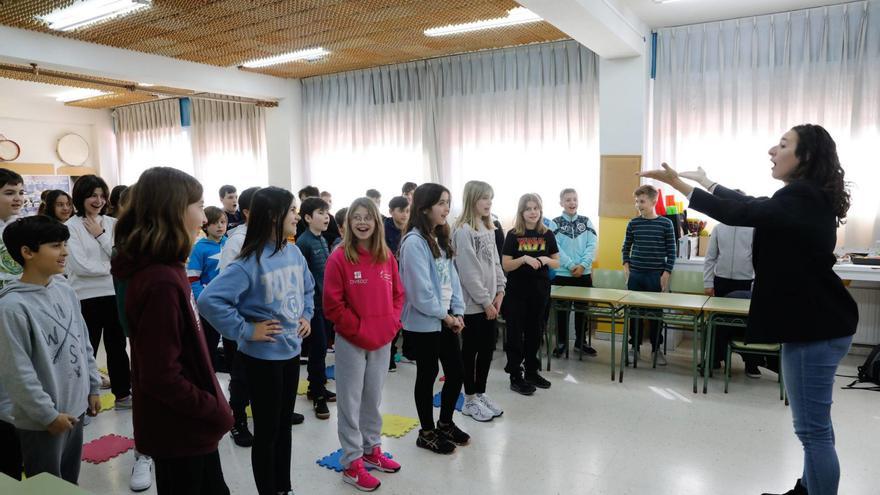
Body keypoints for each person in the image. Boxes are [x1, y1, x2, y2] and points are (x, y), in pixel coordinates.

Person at [642, 124, 858, 495]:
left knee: (813, 432)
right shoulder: (803, 196)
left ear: (804, 157)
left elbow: (739, 210)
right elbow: (753, 204)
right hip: (816, 321)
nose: (772, 150)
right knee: (816, 427)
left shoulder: (801, 197)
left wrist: (681, 186)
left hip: (814, 326)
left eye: (784, 145)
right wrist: (709, 182)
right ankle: (808, 487)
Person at [111, 168, 233, 494]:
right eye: (198, 206)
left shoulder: (169, 269)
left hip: (189, 426)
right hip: (181, 428)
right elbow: (160, 374)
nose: (203, 218)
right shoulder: (160, 280)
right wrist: (214, 409)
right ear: (174, 210)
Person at [198, 187, 314, 495]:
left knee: (284, 428)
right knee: (267, 432)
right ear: (274, 216)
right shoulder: (249, 260)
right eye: (292, 211)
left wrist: (306, 316)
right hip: (262, 360)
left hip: (290, 353)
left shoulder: (293, 251)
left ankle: (282, 487)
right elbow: (210, 301)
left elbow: (307, 288)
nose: (297, 216)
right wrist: (247, 330)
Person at [0, 216, 101, 484]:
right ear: (27, 252)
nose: (65, 252)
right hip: (42, 420)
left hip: (76, 408)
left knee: (69, 481)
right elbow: (17, 373)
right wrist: (47, 415)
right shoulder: (12, 307)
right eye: (56, 246)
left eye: (64, 244)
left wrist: (92, 387)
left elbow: (83, 340)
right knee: (48, 486)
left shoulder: (64, 288)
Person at [323, 198, 404, 491]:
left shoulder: (387, 257)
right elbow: (332, 305)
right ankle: (352, 463)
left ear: (376, 223)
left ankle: (372, 450)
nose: (362, 222)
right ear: (348, 224)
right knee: (350, 401)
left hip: (382, 340)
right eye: (356, 217)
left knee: (373, 398)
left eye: (367, 217)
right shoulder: (339, 258)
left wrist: (392, 324)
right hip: (351, 342)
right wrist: (358, 329)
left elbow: (398, 296)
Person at [399, 183, 469, 455]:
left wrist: (458, 312)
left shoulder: (441, 238)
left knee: (457, 373)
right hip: (425, 322)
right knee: (427, 375)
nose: (446, 208)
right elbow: (420, 293)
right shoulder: (414, 242)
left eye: (448, 202)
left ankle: (445, 423)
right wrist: (446, 317)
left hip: (447, 318)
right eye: (441, 203)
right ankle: (426, 432)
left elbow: (453, 280)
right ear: (425, 207)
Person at [65, 175, 132, 408]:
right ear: (81, 197)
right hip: (85, 297)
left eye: (102, 195)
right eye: (93, 195)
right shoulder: (69, 227)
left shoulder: (112, 224)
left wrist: (100, 236)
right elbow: (80, 266)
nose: (98, 200)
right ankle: (81, 401)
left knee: (117, 348)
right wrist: (112, 266)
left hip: (113, 294)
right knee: (86, 349)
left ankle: (123, 395)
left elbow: (122, 257)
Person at [215, 186, 267, 437]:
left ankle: (266, 412)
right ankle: (238, 420)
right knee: (241, 373)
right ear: (247, 212)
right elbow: (225, 286)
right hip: (243, 322)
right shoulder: (238, 240)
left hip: (267, 320)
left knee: (265, 370)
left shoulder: (271, 237)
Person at [453, 181, 506, 422]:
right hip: (474, 305)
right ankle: (469, 399)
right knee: (471, 351)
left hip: (491, 302)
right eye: (484, 198)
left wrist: (500, 290)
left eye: (490, 198)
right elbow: (469, 273)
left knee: (487, 350)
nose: (488, 203)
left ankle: (481, 393)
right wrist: (486, 302)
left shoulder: (489, 227)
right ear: (472, 199)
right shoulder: (463, 231)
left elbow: (495, 262)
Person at [501, 193, 560, 395]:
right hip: (516, 292)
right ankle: (515, 375)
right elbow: (506, 264)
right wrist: (524, 258)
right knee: (515, 334)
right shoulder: (513, 234)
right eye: (528, 208)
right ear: (521, 212)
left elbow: (557, 262)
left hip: (540, 291)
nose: (533, 212)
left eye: (536, 208)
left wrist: (544, 259)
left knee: (535, 332)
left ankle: (532, 371)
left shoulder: (548, 234)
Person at [621, 185, 677, 365]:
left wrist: (666, 273)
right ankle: (634, 348)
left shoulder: (665, 224)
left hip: (655, 276)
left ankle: (656, 349)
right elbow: (625, 247)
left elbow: (671, 251)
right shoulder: (633, 223)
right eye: (636, 202)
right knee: (634, 314)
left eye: (642, 201)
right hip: (636, 275)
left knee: (655, 315)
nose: (638, 205)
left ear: (653, 201)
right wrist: (626, 267)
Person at [702, 217, 762, 376]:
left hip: (745, 282)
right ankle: (714, 358)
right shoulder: (719, 228)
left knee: (747, 323)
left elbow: (759, 259)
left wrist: (757, 284)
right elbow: (710, 257)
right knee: (719, 321)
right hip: (721, 281)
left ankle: (751, 363)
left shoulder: (753, 228)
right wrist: (708, 283)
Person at [295, 197, 336, 420]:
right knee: (318, 349)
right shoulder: (304, 242)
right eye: (320, 213)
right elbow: (301, 280)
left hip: (325, 303)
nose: (326, 216)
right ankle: (318, 394)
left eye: (326, 212)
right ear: (308, 217)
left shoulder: (321, 239)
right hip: (313, 306)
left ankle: (314, 387)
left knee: (322, 348)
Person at [551, 188, 598, 358]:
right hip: (563, 274)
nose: (572, 203)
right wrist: (571, 265)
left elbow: (592, 245)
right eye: (568, 200)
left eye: (574, 199)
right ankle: (562, 342)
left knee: (582, 310)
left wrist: (583, 265)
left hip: (583, 275)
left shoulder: (586, 222)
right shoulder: (554, 223)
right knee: (562, 311)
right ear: (561, 203)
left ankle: (581, 342)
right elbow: (555, 248)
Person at [0, 168, 25, 481]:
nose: (18, 198)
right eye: (9, 193)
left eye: (20, 192)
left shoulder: (21, 229)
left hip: (22, 314)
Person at [187, 206, 228, 368]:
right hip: (208, 304)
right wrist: (202, 300)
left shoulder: (230, 243)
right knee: (209, 344)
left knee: (231, 344)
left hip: (229, 302)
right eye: (215, 223)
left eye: (223, 222)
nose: (220, 226)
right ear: (205, 225)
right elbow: (193, 278)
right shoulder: (199, 248)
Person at [383, 196, 410, 372]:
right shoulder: (384, 230)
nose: (404, 215)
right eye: (401, 211)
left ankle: (408, 352)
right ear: (391, 211)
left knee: (406, 317)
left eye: (407, 211)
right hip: (390, 280)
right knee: (393, 318)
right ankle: (389, 355)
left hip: (408, 278)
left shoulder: (411, 229)